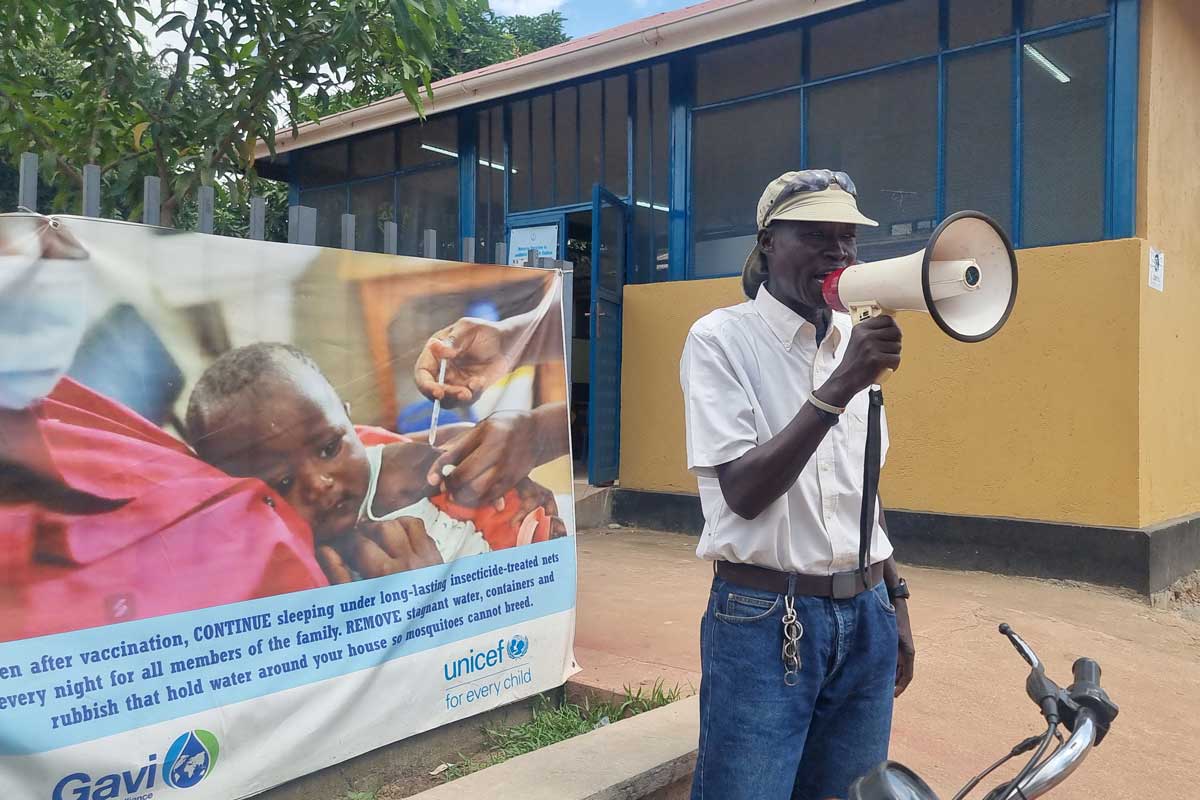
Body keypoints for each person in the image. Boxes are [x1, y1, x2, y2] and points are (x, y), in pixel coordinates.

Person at [679, 170, 916, 800]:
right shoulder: (721, 340)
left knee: (850, 792)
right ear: (767, 246)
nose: (838, 252)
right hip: (764, 619)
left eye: (848, 238)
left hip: (866, 615)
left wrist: (895, 601)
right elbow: (744, 491)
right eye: (816, 235)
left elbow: (865, 484)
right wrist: (842, 385)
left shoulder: (850, 339)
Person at [186, 343, 561, 583]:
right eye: (282, 484)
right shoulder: (284, 561)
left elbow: (463, 445)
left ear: (350, 422)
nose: (319, 483)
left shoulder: (412, 474)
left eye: (329, 447)